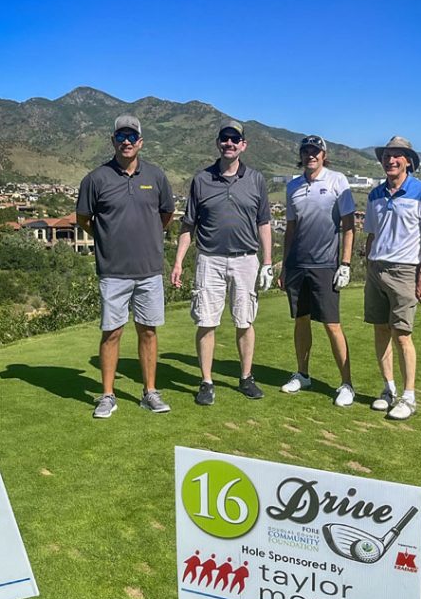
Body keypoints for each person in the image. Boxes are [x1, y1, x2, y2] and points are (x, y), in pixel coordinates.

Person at [76, 113, 175, 417]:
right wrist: (107, 238)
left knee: (148, 331)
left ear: (141, 141)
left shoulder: (156, 177)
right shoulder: (95, 179)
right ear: (113, 141)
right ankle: (107, 395)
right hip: (113, 272)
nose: (127, 141)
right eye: (121, 136)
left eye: (132, 136)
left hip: (149, 271)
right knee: (112, 332)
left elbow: (166, 215)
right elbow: (84, 220)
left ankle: (150, 392)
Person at [171, 120, 273, 405]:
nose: (229, 143)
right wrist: (178, 262)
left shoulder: (256, 180)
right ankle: (206, 381)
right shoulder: (201, 179)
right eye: (224, 138)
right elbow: (189, 225)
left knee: (245, 320)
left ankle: (246, 377)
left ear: (243, 145)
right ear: (218, 142)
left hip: (245, 259)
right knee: (206, 321)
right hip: (209, 259)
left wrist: (267, 262)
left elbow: (264, 223)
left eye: (234, 139)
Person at [363, 136, 421, 420]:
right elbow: (372, 235)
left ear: (408, 160)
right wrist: (367, 265)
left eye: (397, 155)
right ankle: (388, 390)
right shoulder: (375, 195)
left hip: (405, 270)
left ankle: (408, 397)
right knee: (380, 331)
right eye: (387, 155)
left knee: (402, 335)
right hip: (376, 269)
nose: (390, 160)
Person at [279, 135, 356, 406]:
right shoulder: (293, 187)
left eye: (315, 151)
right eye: (306, 151)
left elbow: (349, 226)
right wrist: (284, 265)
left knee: (332, 325)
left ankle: (346, 383)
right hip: (298, 265)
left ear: (324, 155)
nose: (310, 155)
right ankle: (302, 373)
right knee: (300, 321)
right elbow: (290, 229)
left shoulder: (337, 181)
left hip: (326, 265)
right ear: (301, 155)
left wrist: (345, 264)